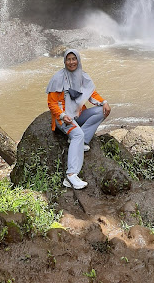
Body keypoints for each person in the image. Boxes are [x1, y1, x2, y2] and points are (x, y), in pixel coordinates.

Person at [46, 48, 111, 190]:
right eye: (68, 59)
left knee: (101, 111)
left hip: (78, 114)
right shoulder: (58, 78)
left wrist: (104, 102)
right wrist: (63, 115)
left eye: (74, 59)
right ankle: (70, 175)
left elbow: (92, 94)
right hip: (63, 118)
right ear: (65, 61)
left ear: (78, 60)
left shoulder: (82, 76)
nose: (71, 62)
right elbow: (52, 103)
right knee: (78, 134)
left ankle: (82, 142)